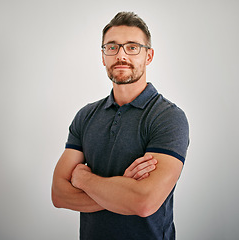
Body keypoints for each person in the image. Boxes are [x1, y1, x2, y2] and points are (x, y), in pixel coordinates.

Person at [51, 12, 189, 240]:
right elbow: (59, 195)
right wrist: (123, 191)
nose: (121, 55)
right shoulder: (86, 116)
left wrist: (83, 179)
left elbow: (144, 202)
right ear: (103, 56)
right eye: (112, 47)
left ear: (149, 56)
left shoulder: (168, 117)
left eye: (133, 47)